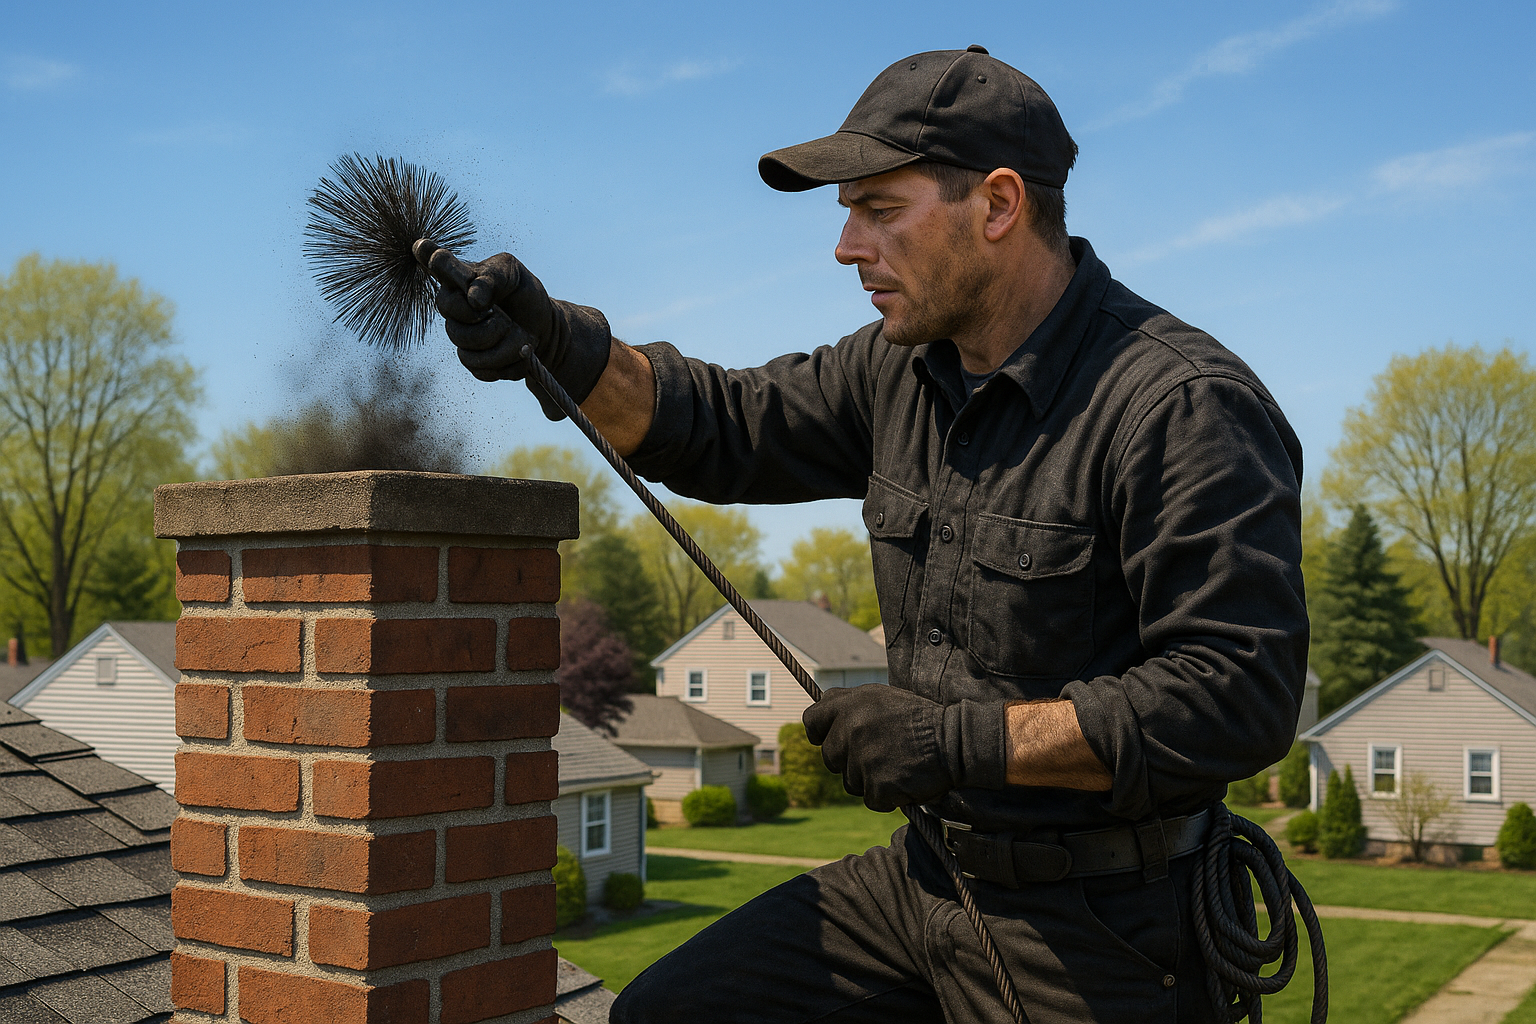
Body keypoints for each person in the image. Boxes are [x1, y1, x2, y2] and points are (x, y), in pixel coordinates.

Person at [427, 46, 1307, 1024]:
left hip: (1105, 934)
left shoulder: (1181, 407)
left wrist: (952, 741)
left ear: (999, 205)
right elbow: (721, 423)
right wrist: (558, 341)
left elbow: (1236, 695)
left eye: (880, 210)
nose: (847, 246)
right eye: (848, 214)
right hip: (924, 878)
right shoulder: (898, 371)